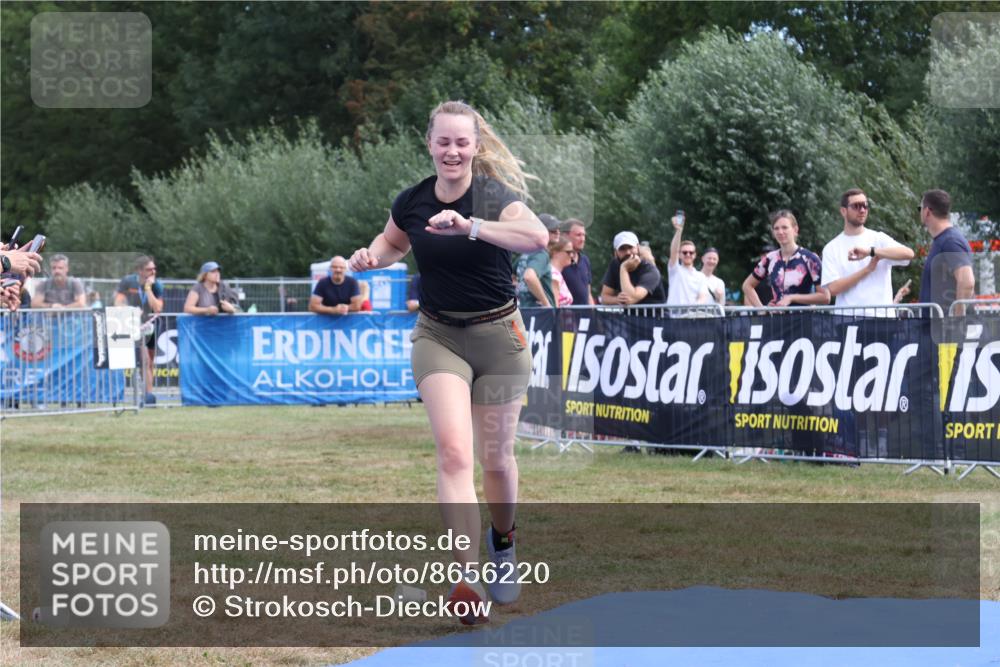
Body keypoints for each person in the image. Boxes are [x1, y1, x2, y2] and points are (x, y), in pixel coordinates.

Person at [347, 100, 547, 620]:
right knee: (455, 454)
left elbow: (536, 238)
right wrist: (371, 257)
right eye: (444, 141)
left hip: (501, 337)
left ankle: (503, 540)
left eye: (462, 142)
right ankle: (466, 579)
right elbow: (393, 244)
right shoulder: (411, 200)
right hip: (438, 335)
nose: (453, 151)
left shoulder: (497, 198)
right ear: (429, 143)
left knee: (497, 462)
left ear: (475, 146)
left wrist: (471, 226)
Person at [821, 188, 915, 312]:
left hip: (881, 318)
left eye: (865, 205)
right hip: (849, 319)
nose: (862, 210)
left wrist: (872, 252)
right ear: (843, 211)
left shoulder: (878, 238)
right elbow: (833, 289)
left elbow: (908, 254)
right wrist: (867, 270)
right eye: (856, 206)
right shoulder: (831, 247)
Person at [742, 211, 829, 307]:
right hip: (775, 320)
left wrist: (792, 297)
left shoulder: (810, 258)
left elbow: (825, 297)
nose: (780, 232)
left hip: (803, 319)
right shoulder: (770, 258)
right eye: (776, 228)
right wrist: (761, 309)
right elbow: (747, 285)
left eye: (785, 227)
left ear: (795, 230)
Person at [114, 255, 163, 403]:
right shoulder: (128, 281)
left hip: (148, 326)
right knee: (127, 360)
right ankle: (121, 395)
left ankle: (148, 395)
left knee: (148, 361)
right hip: (128, 323)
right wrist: (131, 310)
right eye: (149, 269)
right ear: (140, 271)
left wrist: (148, 288)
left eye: (154, 268)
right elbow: (118, 302)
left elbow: (157, 308)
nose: (153, 272)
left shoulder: (156, 285)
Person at [918, 189, 974, 315]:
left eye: (920, 208)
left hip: (944, 329)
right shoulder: (944, 240)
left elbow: (967, 282)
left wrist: (958, 321)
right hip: (935, 328)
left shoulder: (950, 241)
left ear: (927, 211)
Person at [599, 231, 667, 305]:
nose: (628, 252)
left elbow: (630, 300)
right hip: (628, 316)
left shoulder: (650, 270)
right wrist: (617, 300)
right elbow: (604, 298)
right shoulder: (615, 265)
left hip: (654, 316)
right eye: (622, 249)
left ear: (638, 248)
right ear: (615, 253)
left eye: (630, 247)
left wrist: (624, 269)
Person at [515, 213, 561, 308]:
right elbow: (529, 277)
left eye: (558, 229)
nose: (557, 232)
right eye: (552, 230)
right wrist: (546, 303)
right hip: (540, 313)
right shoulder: (541, 254)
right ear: (540, 231)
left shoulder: (526, 252)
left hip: (525, 310)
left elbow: (510, 275)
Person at [666, 214, 709, 305]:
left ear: (695, 255)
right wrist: (679, 231)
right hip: (675, 317)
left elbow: (703, 297)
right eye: (685, 252)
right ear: (680, 254)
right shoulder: (675, 270)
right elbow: (673, 251)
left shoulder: (700, 276)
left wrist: (693, 309)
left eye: (691, 252)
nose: (688, 254)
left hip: (692, 316)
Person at [560, 219, 594, 305]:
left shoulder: (585, 260)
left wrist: (593, 314)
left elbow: (588, 293)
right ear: (565, 236)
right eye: (578, 235)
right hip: (565, 315)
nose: (582, 239)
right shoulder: (558, 260)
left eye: (584, 235)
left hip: (585, 316)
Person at [548, 237, 576, 307]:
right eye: (569, 252)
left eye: (572, 252)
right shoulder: (554, 275)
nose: (572, 255)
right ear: (555, 252)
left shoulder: (556, 274)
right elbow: (554, 309)